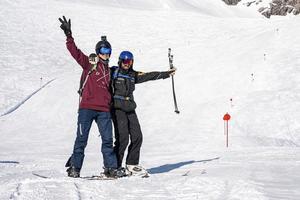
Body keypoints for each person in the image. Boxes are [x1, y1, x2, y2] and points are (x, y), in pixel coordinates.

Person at [58, 16, 125, 178]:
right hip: (87, 108)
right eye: (103, 51)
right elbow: (75, 52)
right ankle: (75, 168)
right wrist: (69, 35)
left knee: (108, 141)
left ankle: (110, 168)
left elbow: (129, 75)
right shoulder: (90, 63)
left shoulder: (111, 70)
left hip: (104, 111)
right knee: (81, 140)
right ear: (98, 52)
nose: (106, 54)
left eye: (108, 51)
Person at [110, 51, 176, 176]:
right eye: (124, 61)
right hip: (117, 109)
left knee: (137, 136)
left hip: (130, 108)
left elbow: (149, 76)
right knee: (122, 138)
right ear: (120, 61)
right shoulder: (113, 72)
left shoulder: (133, 75)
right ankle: (115, 165)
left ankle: (132, 164)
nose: (126, 64)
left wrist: (166, 74)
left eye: (129, 61)